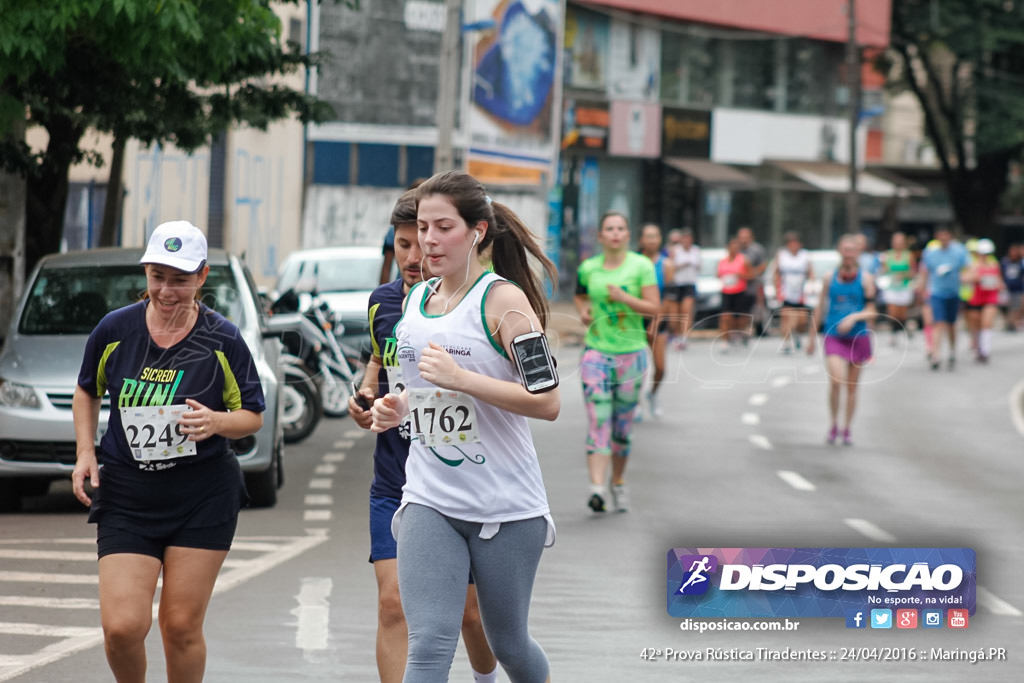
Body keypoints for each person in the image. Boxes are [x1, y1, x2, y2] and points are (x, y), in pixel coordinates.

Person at [369, 170, 559, 682]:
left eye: (443, 227)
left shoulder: (505, 303)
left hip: (506, 506)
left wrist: (465, 378)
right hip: (430, 496)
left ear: (477, 231)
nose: (429, 241)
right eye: (423, 228)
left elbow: (548, 402)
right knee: (429, 642)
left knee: (510, 645)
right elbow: (418, 392)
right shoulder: (416, 302)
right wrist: (395, 408)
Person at [70, 220, 264, 683]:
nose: (167, 289)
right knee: (121, 628)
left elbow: (252, 414)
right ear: (146, 275)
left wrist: (216, 422)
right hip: (127, 495)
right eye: (158, 276)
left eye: (179, 278)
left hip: (201, 497)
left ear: (201, 276)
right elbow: (86, 391)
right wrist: (84, 452)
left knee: (178, 626)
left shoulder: (223, 339)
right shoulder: (115, 329)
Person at [348, 192, 497, 682]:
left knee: (470, 614)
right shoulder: (383, 301)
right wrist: (367, 396)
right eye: (403, 243)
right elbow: (381, 361)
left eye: (424, 242)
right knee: (393, 605)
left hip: (461, 479)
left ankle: (485, 675)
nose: (413, 257)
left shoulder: (481, 301)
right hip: (395, 476)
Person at [575, 211, 660, 512]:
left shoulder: (642, 266)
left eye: (620, 228)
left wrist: (625, 299)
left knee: (622, 429)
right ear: (600, 236)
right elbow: (581, 296)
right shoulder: (588, 268)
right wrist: (584, 311)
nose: (614, 233)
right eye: (609, 228)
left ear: (627, 235)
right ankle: (596, 487)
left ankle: (618, 481)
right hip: (596, 352)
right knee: (598, 419)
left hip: (631, 354)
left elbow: (653, 308)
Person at [807, 234, 877, 446]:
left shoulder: (865, 279)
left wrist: (854, 317)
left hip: (858, 337)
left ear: (858, 253)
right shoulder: (830, 277)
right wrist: (812, 337)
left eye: (852, 250)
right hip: (833, 335)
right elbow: (820, 308)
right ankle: (833, 423)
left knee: (852, 387)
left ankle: (847, 428)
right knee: (837, 381)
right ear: (839, 251)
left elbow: (872, 311)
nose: (848, 254)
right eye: (845, 249)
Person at [919, 227, 969, 370]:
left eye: (946, 236)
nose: (944, 238)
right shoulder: (931, 253)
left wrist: (965, 278)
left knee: (951, 324)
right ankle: (936, 355)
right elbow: (924, 272)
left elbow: (968, 269)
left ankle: (952, 351)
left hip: (953, 292)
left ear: (950, 236)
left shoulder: (959, 251)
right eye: (941, 236)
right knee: (938, 323)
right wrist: (922, 290)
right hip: (936, 292)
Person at [638, 223, 674, 417]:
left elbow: (669, 298)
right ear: (641, 240)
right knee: (636, 365)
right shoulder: (634, 262)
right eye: (648, 236)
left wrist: (656, 321)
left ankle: (652, 394)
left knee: (660, 367)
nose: (652, 240)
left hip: (659, 319)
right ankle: (634, 403)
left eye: (655, 236)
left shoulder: (666, 265)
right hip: (635, 319)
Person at [962, 238, 1005, 363]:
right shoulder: (972, 265)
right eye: (983, 253)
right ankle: (977, 347)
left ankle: (985, 351)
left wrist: (999, 285)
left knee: (987, 323)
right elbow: (964, 278)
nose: (985, 256)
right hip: (976, 298)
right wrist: (975, 278)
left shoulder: (994, 264)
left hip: (990, 297)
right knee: (976, 325)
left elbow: (1000, 280)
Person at [773, 231, 813, 354]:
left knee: (801, 321)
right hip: (786, 291)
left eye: (795, 243)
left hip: (800, 292)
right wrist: (776, 289)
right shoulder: (782, 255)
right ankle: (786, 343)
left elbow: (810, 272)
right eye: (790, 244)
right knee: (786, 317)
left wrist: (811, 286)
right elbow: (776, 272)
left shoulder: (805, 256)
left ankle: (798, 334)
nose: (793, 246)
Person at [666, 228, 700, 350]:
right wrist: (682, 264)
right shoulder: (675, 250)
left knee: (686, 310)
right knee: (675, 313)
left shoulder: (696, 250)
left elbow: (699, 267)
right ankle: (676, 335)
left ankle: (684, 337)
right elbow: (670, 266)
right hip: (676, 285)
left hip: (689, 284)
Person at [880, 231, 916, 346]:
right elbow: (883, 270)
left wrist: (903, 275)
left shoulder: (909, 255)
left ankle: (905, 327)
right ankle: (893, 334)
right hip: (891, 286)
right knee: (892, 311)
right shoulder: (887, 255)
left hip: (904, 286)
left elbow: (913, 272)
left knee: (902, 313)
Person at [717, 237, 753, 348]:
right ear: (728, 248)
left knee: (740, 319)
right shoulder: (723, 261)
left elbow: (751, 275)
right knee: (725, 316)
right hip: (726, 292)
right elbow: (718, 274)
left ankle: (741, 333)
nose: (734, 249)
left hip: (740, 292)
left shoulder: (743, 260)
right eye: (732, 247)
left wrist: (741, 275)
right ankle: (725, 340)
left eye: (736, 247)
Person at [737, 227, 767, 336]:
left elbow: (763, 266)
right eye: (741, 238)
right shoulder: (736, 249)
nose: (743, 240)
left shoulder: (757, 249)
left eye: (746, 237)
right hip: (739, 285)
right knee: (741, 309)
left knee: (756, 308)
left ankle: (758, 327)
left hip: (754, 284)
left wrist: (751, 274)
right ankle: (741, 330)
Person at [1001, 242, 1024, 331]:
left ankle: (1012, 323)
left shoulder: (1020, 262)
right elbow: (1001, 273)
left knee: (1016, 306)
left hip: (1017, 288)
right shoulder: (1005, 261)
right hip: (1006, 288)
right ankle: (1008, 322)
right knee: (1005, 306)